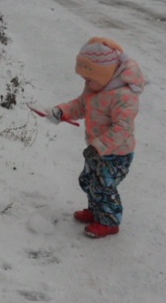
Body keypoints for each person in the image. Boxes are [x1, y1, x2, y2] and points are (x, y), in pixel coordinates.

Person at [48, 37, 145, 238]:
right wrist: (62, 111)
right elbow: (81, 105)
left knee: (104, 186)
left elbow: (122, 127)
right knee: (89, 180)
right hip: (96, 148)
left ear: (104, 74)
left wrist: (100, 146)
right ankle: (96, 211)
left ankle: (109, 222)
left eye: (88, 78)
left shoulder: (123, 96)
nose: (85, 82)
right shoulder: (95, 87)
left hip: (116, 153)